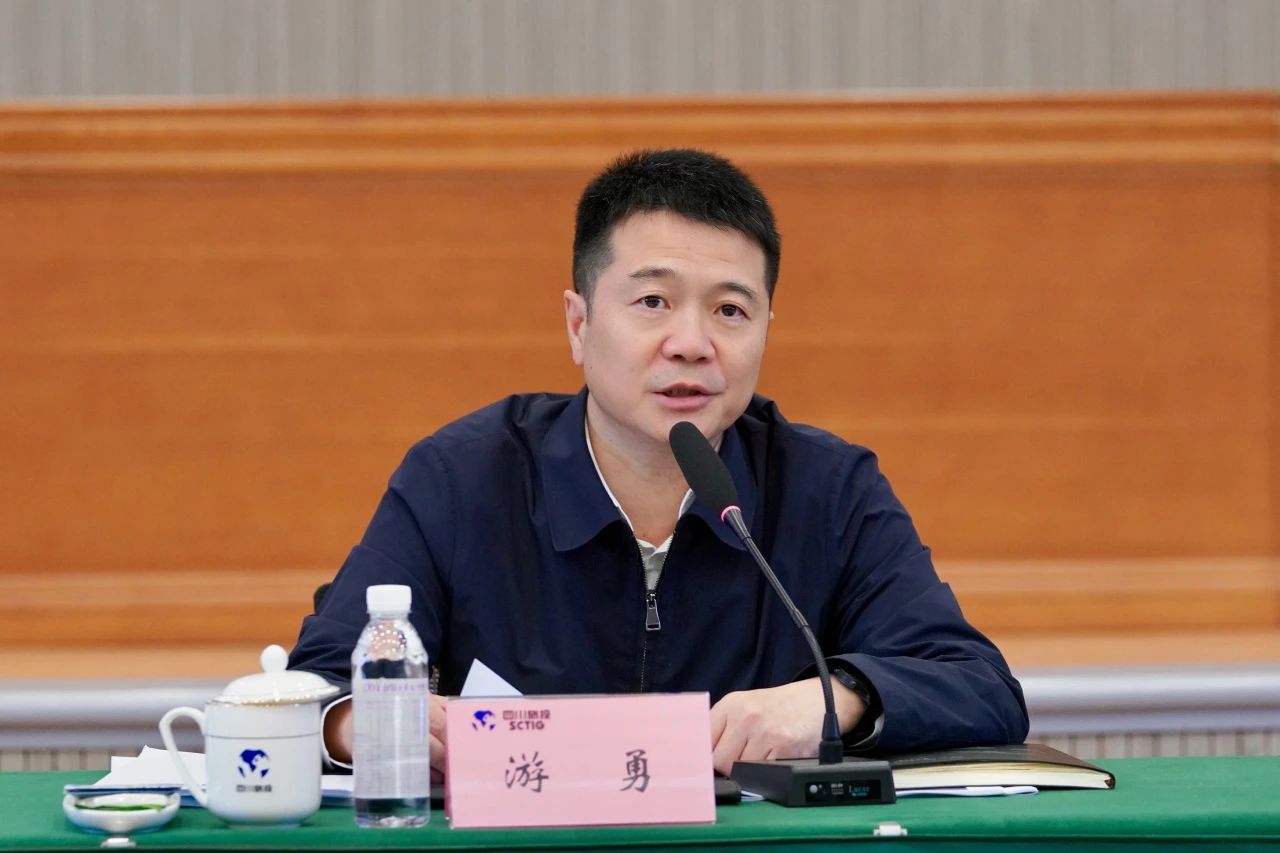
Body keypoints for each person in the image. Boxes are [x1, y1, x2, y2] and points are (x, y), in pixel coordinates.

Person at [288, 148, 1029, 777]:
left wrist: (836, 699)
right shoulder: (462, 479)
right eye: (652, 302)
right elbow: (316, 688)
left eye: (730, 310)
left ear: (766, 330)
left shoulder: (827, 489)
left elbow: (980, 686)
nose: (692, 344)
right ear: (579, 324)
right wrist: (362, 723)